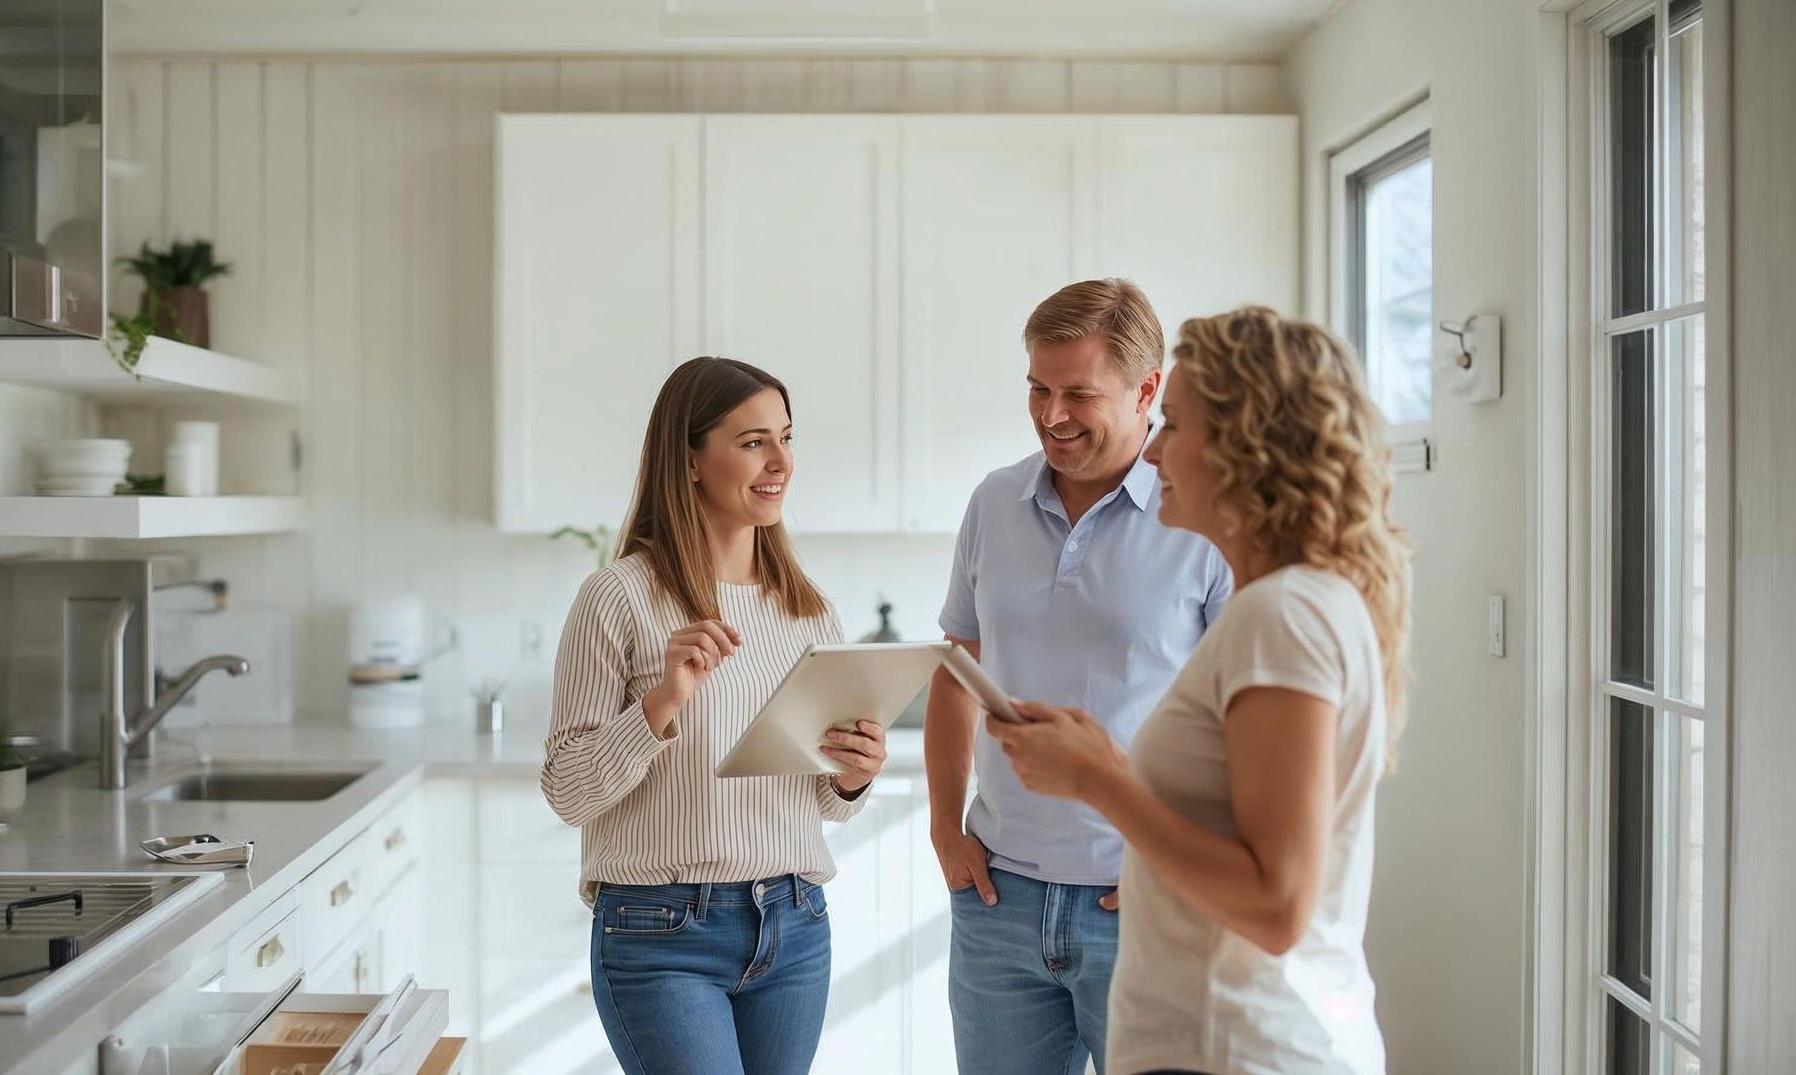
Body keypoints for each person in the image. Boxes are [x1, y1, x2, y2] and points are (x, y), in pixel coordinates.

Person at [991, 306, 1412, 1075]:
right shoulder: (1299, 605)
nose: (1152, 451)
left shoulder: (1282, 615)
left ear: (1248, 446)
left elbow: (1275, 904)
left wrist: (1098, 778)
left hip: (1239, 1045)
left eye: (1175, 424)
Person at [542, 356, 889, 1075]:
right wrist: (662, 702)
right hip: (660, 931)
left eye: (786, 437)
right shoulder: (617, 598)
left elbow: (822, 797)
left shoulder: (807, 611)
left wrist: (853, 775)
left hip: (795, 925)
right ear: (691, 459)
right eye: (753, 440)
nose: (781, 461)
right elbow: (569, 790)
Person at [925, 279, 1232, 1074]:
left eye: (1078, 394)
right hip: (997, 900)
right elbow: (957, 670)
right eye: (1038, 388)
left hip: (1138, 900)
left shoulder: (1201, 518)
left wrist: (1180, 857)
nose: (1051, 414)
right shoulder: (994, 501)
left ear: (1148, 390)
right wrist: (943, 824)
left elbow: (1242, 720)